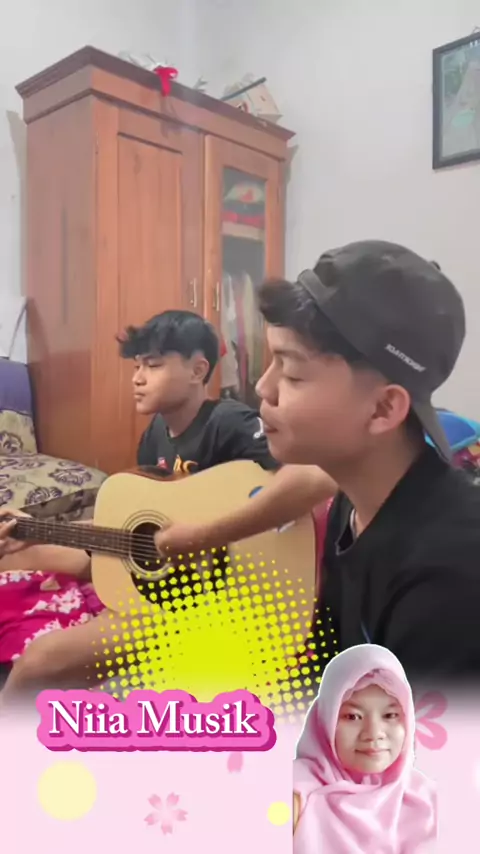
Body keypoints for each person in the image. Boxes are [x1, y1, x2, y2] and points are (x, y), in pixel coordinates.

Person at [0, 310, 336, 701]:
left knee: (38, 663)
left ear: (198, 370)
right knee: (19, 554)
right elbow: (132, 530)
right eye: (137, 366)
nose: (138, 377)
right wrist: (35, 530)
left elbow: (310, 479)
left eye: (154, 365)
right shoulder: (153, 438)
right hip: (166, 586)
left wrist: (203, 536)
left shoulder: (229, 423)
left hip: (222, 600)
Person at [255, 240, 480, 687]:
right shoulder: (354, 505)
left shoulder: (451, 574)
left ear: (382, 409)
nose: (264, 388)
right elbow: (328, 673)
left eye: (292, 372)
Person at [293, 644, 437, 854]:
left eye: (390, 715)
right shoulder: (295, 791)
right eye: (353, 716)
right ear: (325, 720)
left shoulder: (429, 801)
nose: (373, 733)